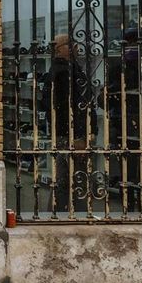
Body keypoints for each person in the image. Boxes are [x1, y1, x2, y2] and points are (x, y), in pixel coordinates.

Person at [43, 33, 96, 212]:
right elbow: (68, 107)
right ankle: (75, 215)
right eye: (70, 43)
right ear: (59, 49)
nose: (76, 47)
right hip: (71, 134)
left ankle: (57, 213)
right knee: (75, 178)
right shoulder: (63, 72)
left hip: (65, 133)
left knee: (65, 178)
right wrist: (79, 135)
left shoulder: (64, 69)